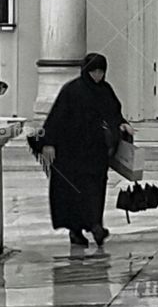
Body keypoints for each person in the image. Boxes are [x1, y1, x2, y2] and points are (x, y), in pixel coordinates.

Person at [38, 52, 134, 247]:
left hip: (96, 151)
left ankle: (95, 225)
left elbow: (113, 113)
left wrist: (122, 124)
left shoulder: (105, 90)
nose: (97, 75)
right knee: (74, 192)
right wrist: (48, 143)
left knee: (95, 189)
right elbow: (56, 118)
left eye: (101, 71)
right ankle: (78, 230)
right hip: (71, 152)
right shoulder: (72, 90)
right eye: (94, 71)